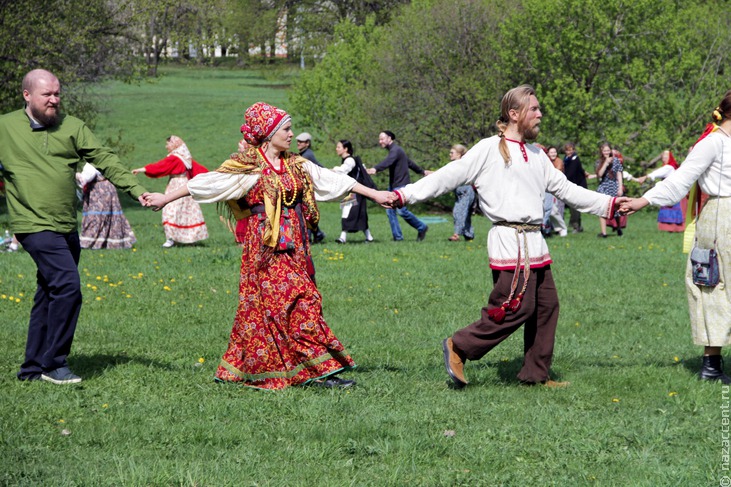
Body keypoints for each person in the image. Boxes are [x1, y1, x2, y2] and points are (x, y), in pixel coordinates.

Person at [389, 85, 626, 388]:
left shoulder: (538, 155)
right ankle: (459, 346)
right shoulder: (488, 149)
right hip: (509, 241)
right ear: (514, 114)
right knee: (515, 307)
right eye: (534, 109)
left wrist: (611, 205)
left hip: (535, 243)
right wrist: (403, 195)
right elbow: (448, 176)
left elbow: (568, 191)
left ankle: (535, 375)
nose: (540, 114)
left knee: (546, 307)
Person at [144, 102, 393, 390]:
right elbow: (206, 184)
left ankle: (303, 369)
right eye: (286, 129)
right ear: (268, 133)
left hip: (296, 244)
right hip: (265, 246)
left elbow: (332, 180)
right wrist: (164, 198)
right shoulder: (247, 168)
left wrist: (374, 194)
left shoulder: (297, 164)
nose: (291, 134)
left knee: (294, 302)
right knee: (295, 301)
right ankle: (315, 371)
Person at [0, 69, 150, 384]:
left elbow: (105, 158)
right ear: (27, 95)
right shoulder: (5, 127)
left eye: (57, 94)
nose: (54, 100)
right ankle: (54, 365)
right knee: (68, 287)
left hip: (66, 225)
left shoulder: (72, 127)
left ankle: (32, 369)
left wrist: (138, 190)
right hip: (33, 224)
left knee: (49, 293)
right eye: (47, 95)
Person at [621, 92, 731, 384]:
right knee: (715, 286)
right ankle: (711, 365)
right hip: (721, 218)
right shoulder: (712, 143)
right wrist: (643, 201)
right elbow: (680, 180)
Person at [132, 136, 209, 248]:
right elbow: (200, 170)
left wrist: (142, 169)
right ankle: (188, 238)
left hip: (177, 186)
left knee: (170, 211)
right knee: (185, 212)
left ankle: (172, 238)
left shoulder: (176, 158)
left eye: (168, 144)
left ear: (174, 144)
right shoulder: (185, 158)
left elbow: (161, 167)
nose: (166, 146)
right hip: (186, 186)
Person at [367, 131, 431, 241]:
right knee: (390, 211)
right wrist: (422, 172)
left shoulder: (395, 151)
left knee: (402, 211)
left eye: (382, 139)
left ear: (389, 138)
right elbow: (409, 163)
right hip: (394, 185)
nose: (380, 141)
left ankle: (421, 227)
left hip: (401, 185)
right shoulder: (397, 151)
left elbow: (388, 161)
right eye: (379, 139)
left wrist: (375, 169)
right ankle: (398, 237)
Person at [76, 163, 137, 249]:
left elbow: (86, 178)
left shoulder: (92, 164)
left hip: (99, 191)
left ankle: (89, 242)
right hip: (108, 189)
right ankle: (107, 242)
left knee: (96, 216)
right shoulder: (103, 161)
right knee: (107, 215)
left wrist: (77, 175)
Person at [332, 139, 375, 243]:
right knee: (355, 213)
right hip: (352, 191)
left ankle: (343, 238)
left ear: (345, 149)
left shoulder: (350, 160)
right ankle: (368, 237)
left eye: (339, 147)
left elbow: (344, 170)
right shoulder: (349, 160)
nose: (336, 149)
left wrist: (331, 170)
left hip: (356, 191)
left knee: (349, 212)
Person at [635, 150, 686, 232]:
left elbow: (658, 173)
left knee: (671, 208)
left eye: (666, 156)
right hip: (669, 191)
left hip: (671, 191)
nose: (664, 158)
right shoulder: (668, 167)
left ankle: (674, 228)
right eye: (663, 157)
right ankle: (669, 228)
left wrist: (645, 177)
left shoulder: (669, 167)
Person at [295, 132, 326, 242]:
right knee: (307, 211)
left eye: (301, 142)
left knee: (306, 212)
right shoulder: (304, 153)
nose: (298, 143)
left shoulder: (307, 155)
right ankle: (318, 234)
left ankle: (308, 238)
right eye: (298, 141)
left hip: (307, 188)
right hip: (306, 186)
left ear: (307, 143)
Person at [595, 142, 624, 238]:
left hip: (613, 186)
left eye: (608, 150)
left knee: (615, 210)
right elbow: (599, 174)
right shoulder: (599, 162)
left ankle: (618, 227)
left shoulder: (616, 161)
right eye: (604, 151)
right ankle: (604, 233)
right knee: (602, 209)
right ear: (601, 152)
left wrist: (620, 187)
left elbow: (619, 174)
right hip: (603, 187)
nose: (606, 152)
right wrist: (606, 163)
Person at [447, 144, 475, 242]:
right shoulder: (453, 165)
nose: (450, 154)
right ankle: (469, 235)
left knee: (458, 212)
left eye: (452, 153)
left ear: (459, 154)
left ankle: (456, 235)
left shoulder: (462, 165)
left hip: (466, 192)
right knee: (465, 214)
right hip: (459, 193)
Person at [563, 142, 589, 233]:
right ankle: (577, 225)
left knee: (575, 207)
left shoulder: (575, 159)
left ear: (573, 150)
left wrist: (561, 178)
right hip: (571, 185)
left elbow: (571, 173)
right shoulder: (566, 159)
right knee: (572, 207)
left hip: (577, 186)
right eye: (567, 150)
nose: (568, 152)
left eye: (570, 150)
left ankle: (576, 226)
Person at [546, 146, 568, 237]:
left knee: (553, 210)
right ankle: (546, 229)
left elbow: (555, 174)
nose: (553, 154)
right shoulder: (546, 161)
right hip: (545, 188)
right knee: (545, 210)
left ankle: (562, 228)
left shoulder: (559, 161)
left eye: (554, 152)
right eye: (551, 152)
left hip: (555, 188)